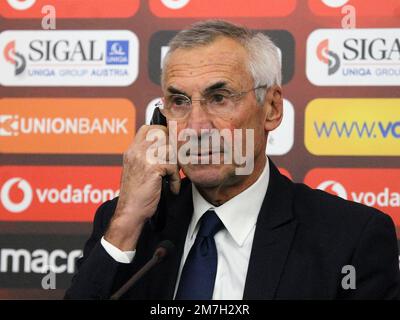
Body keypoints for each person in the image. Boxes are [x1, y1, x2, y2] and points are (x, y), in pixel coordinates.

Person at [65, 20, 400, 300]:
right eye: (179, 101)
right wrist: (127, 221)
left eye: (219, 98)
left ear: (271, 109)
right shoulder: (125, 222)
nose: (196, 128)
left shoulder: (350, 238)